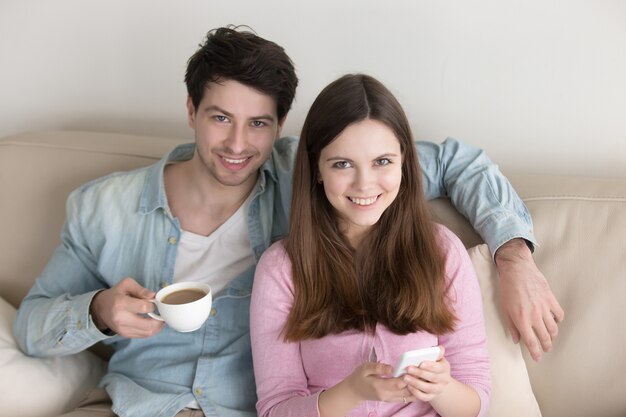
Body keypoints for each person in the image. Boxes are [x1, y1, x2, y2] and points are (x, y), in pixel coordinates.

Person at [12, 26, 559, 417]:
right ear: (190, 110)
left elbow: (455, 164)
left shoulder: (322, 169)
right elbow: (31, 328)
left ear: (280, 126)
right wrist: (98, 312)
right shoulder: (101, 209)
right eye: (220, 118)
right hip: (134, 404)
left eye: (258, 124)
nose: (236, 144)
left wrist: (514, 257)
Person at [250, 73, 490, 417]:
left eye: (382, 161)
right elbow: (275, 409)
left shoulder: (443, 252)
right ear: (317, 169)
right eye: (343, 164)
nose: (365, 184)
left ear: (404, 162)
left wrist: (442, 389)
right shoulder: (281, 268)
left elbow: (476, 398)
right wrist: (351, 392)